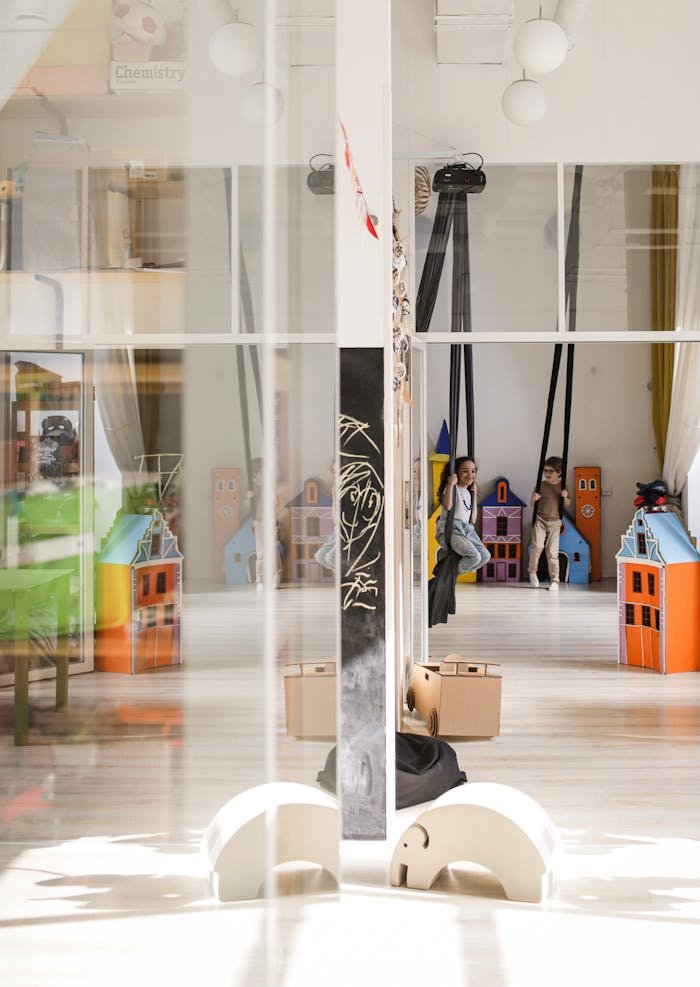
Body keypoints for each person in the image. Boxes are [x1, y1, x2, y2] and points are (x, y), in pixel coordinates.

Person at [436, 457, 490, 575]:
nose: (470, 475)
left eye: (473, 471)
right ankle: (447, 575)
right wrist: (450, 483)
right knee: (474, 556)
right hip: (451, 529)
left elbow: (473, 519)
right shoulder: (453, 488)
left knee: (485, 556)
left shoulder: (468, 493)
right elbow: (448, 506)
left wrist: (474, 494)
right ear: (457, 473)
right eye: (465, 471)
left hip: (466, 529)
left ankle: (453, 573)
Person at [528, 456, 570, 591]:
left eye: (551, 471)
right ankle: (532, 572)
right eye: (545, 470)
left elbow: (567, 505)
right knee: (537, 546)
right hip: (540, 520)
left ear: (559, 473)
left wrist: (565, 497)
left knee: (552, 552)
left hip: (555, 522)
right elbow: (531, 504)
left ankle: (555, 580)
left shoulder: (562, 487)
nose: (547, 474)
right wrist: (533, 499)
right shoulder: (541, 485)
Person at [248, 458, 283, 591]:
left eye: (262, 472)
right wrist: (250, 496)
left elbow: (276, 502)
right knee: (261, 553)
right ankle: (260, 580)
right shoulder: (255, 488)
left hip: (271, 521)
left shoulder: (271, 486)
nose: (259, 475)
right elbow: (249, 503)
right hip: (259, 522)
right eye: (257, 473)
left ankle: (277, 574)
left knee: (273, 548)